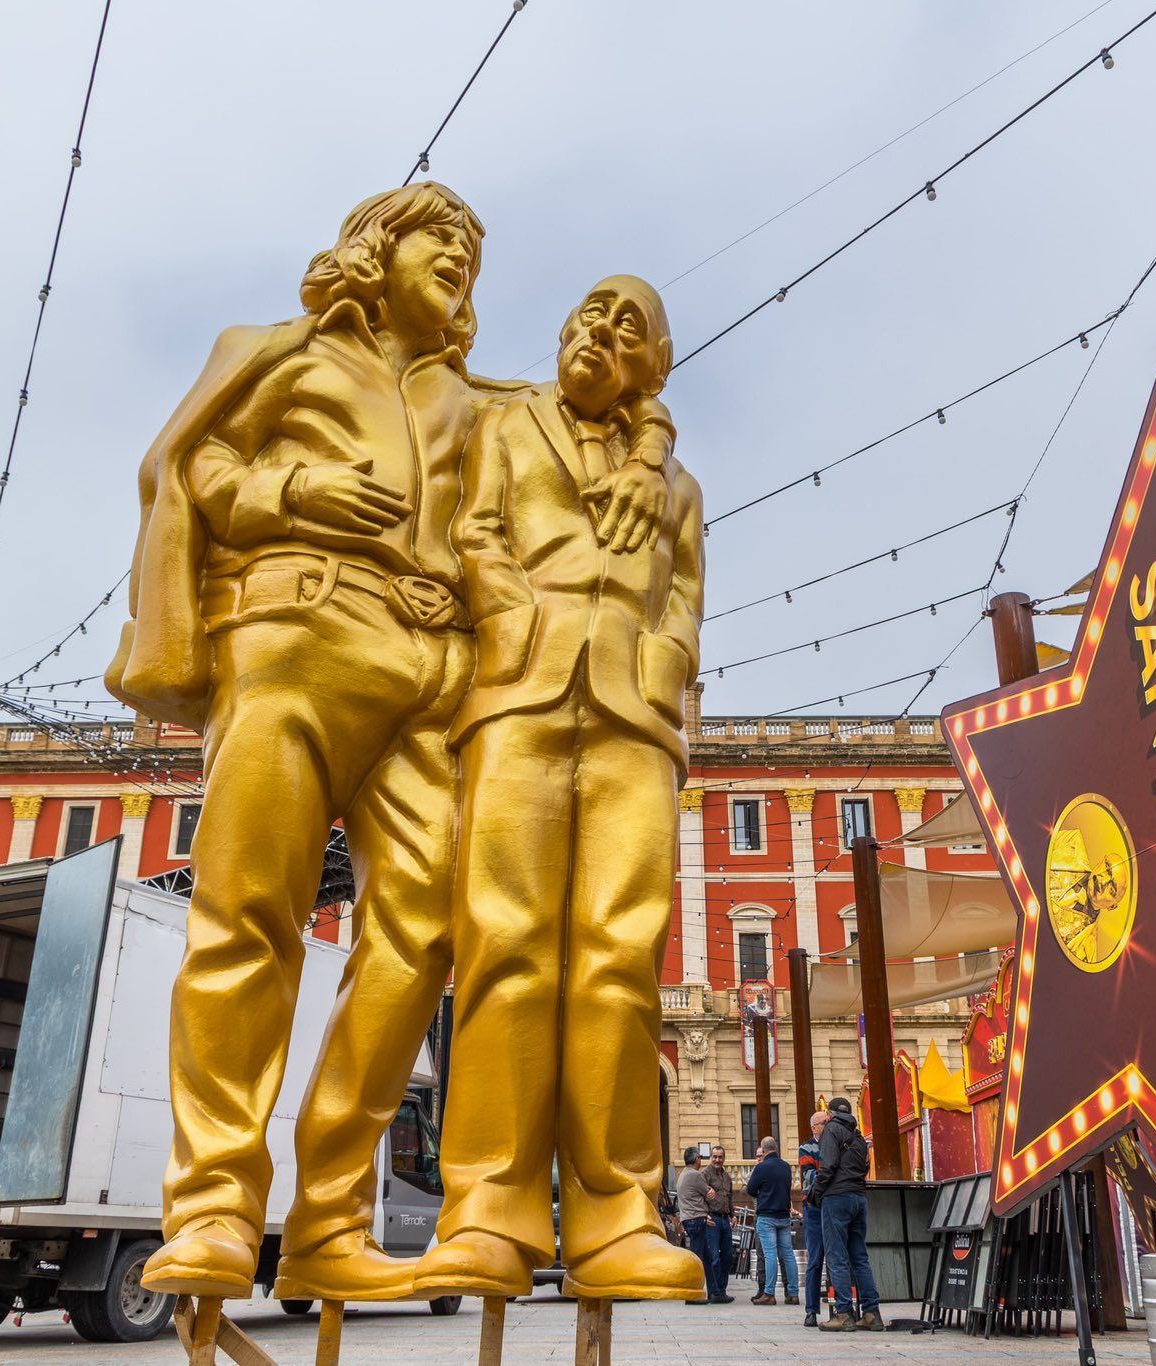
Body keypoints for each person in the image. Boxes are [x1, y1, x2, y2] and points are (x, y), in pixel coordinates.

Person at [107, 183, 553, 1306]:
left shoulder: (480, 401)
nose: (458, 261)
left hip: (433, 664)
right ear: (376, 245)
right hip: (295, 630)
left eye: (472, 252)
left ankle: (327, 1220)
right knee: (247, 913)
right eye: (438, 239)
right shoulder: (270, 349)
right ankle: (212, 1205)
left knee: (427, 932)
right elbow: (187, 464)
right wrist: (286, 487)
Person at [411, 274, 701, 1303]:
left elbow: (687, 596)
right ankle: (486, 1211)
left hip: (632, 714)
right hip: (519, 695)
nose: (597, 332)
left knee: (621, 959)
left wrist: (664, 663)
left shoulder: (677, 485)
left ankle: (616, 1215)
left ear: (648, 365)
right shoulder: (507, 426)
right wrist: (508, 618)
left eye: (626, 328)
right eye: (588, 313)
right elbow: (473, 531)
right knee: (504, 945)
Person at [816, 1097, 881, 1332]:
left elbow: (828, 1165)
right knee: (860, 1257)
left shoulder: (831, 1130)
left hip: (837, 1197)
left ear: (830, 1114)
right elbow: (864, 1167)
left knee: (837, 1256)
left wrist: (816, 1191)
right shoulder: (859, 1136)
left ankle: (844, 1313)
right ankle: (872, 1313)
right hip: (859, 1197)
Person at [744, 1136, 798, 1306]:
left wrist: (762, 1192)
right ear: (776, 1148)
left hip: (767, 1216)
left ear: (764, 1150)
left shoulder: (762, 1167)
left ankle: (769, 1293)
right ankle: (793, 1293)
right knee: (788, 1255)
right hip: (784, 1216)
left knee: (770, 1255)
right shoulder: (786, 1167)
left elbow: (751, 1189)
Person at [673, 1149, 726, 1305]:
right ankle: (693, 1294)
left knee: (707, 1257)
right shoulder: (695, 1175)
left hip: (691, 1219)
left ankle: (715, 1292)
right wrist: (711, 1192)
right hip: (696, 1220)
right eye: (700, 1158)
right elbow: (710, 1194)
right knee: (698, 1259)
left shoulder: (683, 1174)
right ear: (697, 1159)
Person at [799, 1111, 828, 1328]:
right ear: (814, 1127)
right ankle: (811, 1310)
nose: (828, 1125)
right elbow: (809, 1176)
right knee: (815, 1259)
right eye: (824, 1123)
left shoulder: (835, 1144)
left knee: (838, 1259)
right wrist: (830, 1174)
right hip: (814, 1207)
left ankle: (842, 1308)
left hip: (832, 1205)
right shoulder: (807, 1148)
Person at [703, 1145, 737, 1291]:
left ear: (724, 1158)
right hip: (712, 1220)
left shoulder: (727, 1176)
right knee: (714, 1257)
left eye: (720, 1157)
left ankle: (722, 1290)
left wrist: (733, 1215)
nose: (717, 1160)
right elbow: (698, 1196)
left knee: (728, 1257)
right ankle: (713, 1291)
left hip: (725, 1220)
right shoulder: (705, 1174)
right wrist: (704, 1214)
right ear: (711, 1157)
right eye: (715, 1157)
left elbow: (729, 1197)